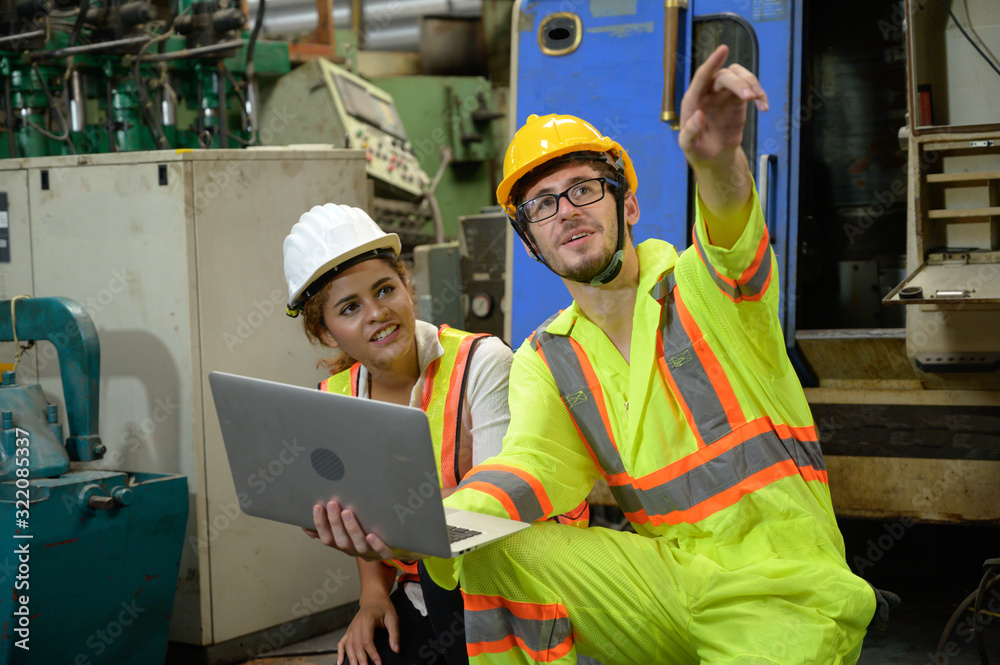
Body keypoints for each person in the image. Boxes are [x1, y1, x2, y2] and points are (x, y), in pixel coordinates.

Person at [310, 45, 887, 664]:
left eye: (584, 188)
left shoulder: (705, 289)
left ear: (628, 206)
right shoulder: (549, 356)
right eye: (542, 205)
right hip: (666, 586)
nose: (567, 211)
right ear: (532, 244)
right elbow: (528, 470)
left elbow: (733, 235)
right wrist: (415, 531)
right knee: (490, 549)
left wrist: (717, 163)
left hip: (784, 596)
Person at [282, 202, 515, 665]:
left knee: (440, 577)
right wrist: (372, 596)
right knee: (361, 657)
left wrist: (397, 524)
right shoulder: (336, 398)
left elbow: (496, 518)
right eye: (350, 307)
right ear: (326, 333)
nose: (376, 313)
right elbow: (357, 508)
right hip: (421, 593)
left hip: (503, 590)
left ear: (407, 288)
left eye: (385, 289)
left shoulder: (483, 364)